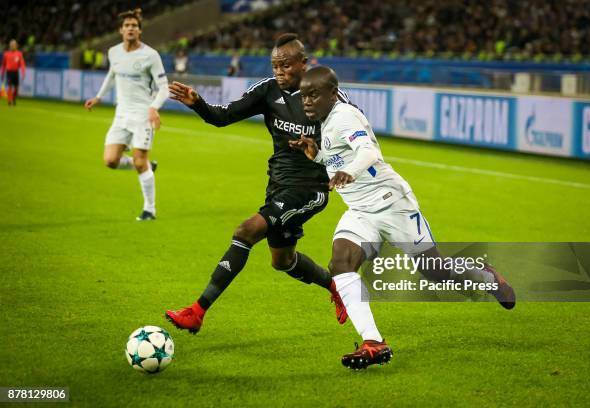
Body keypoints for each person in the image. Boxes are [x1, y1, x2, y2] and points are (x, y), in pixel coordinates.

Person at [290, 66, 515, 370]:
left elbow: (368, 153)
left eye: (313, 94)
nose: (306, 101)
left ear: (331, 93)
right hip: (361, 212)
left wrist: (350, 172)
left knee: (436, 272)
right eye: (303, 95)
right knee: (341, 262)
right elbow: (341, 156)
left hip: (392, 205)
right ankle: (373, 342)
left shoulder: (344, 116)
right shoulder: (328, 121)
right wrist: (318, 156)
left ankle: (484, 275)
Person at [165, 34, 354, 334]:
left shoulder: (329, 99)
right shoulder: (268, 91)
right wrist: (197, 103)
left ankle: (197, 311)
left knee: (246, 230)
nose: (279, 71)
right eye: (275, 65)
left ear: (303, 64)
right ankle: (336, 288)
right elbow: (222, 116)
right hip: (278, 186)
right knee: (283, 261)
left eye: (286, 65)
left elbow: (354, 141)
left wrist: (326, 157)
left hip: (310, 189)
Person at [84, 8, 169, 221]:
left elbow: (164, 88)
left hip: (142, 116)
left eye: (134, 26)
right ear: (121, 30)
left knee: (141, 162)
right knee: (110, 160)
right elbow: (112, 73)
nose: (130, 28)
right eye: (127, 26)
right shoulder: (114, 52)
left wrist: (153, 107)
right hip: (120, 114)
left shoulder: (150, 55)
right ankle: (148, 166)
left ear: (139, 31)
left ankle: (150, 210)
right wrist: (99, 97)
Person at [1, 39, 26, 106]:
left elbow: (22, 64)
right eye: (11, 45)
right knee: (9, 86)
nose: (12, 46)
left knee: (16, 88)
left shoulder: (19, 54)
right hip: (9, 72)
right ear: (10, 46)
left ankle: (14, 99)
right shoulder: (6, 54)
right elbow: (3, 65)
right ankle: (9, 101)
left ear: (16, 46)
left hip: (16, 72)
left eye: (14, 45)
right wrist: (2, 73)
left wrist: (23, 72)